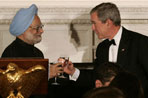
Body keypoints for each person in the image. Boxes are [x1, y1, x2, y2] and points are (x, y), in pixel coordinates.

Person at [63, 2, 148, 98]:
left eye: (94, 23)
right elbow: (96, 77)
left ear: (108, 23)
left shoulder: (140, 42)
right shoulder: (102, 48)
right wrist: (73, 72)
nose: (92, 28)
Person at [0, 4, 63, 98]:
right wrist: (46, 74)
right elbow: (14, 90)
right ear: (23, 29)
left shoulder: (38, 52)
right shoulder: (11, 53)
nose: (41, 31)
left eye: (41, 27)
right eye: (37, 28)